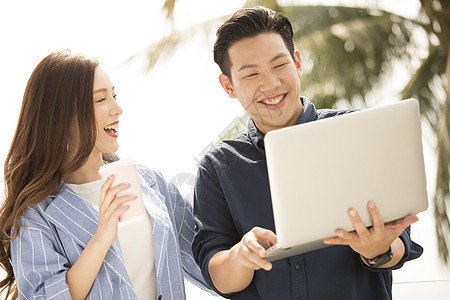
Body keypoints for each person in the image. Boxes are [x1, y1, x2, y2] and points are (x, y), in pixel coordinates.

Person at [192, 7, 423, 300]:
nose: (271, 84)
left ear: (297, 62)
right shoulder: (219, 167)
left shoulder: (357, 133)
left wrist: (377, 250)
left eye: (279, 66)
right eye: (251, 74)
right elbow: (218, 275)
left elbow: (399, 243)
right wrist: (240, 256)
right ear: (229, 86)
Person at [0, 50, 209, 299]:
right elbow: (43, 295)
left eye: (114, 95)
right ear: (61, 116)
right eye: (101, 100)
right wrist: (101, 239)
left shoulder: (148, 180)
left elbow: (204, 254)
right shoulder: (34, 218)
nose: (117, 109)